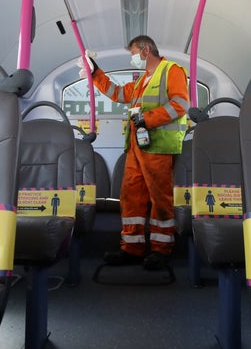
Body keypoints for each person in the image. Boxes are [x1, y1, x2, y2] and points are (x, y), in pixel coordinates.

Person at [79, 35, 189, 270]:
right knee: (130, 196)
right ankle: (132, 247)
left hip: (159, 145)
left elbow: (181, 104)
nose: (132, 59)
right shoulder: (142, 81)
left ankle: (161, 249)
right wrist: (95, 72)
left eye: (133, 53)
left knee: (160, 198)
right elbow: (117, 93)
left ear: (146, 50)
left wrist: (147, 119)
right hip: (137, 146)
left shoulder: (172, 70)